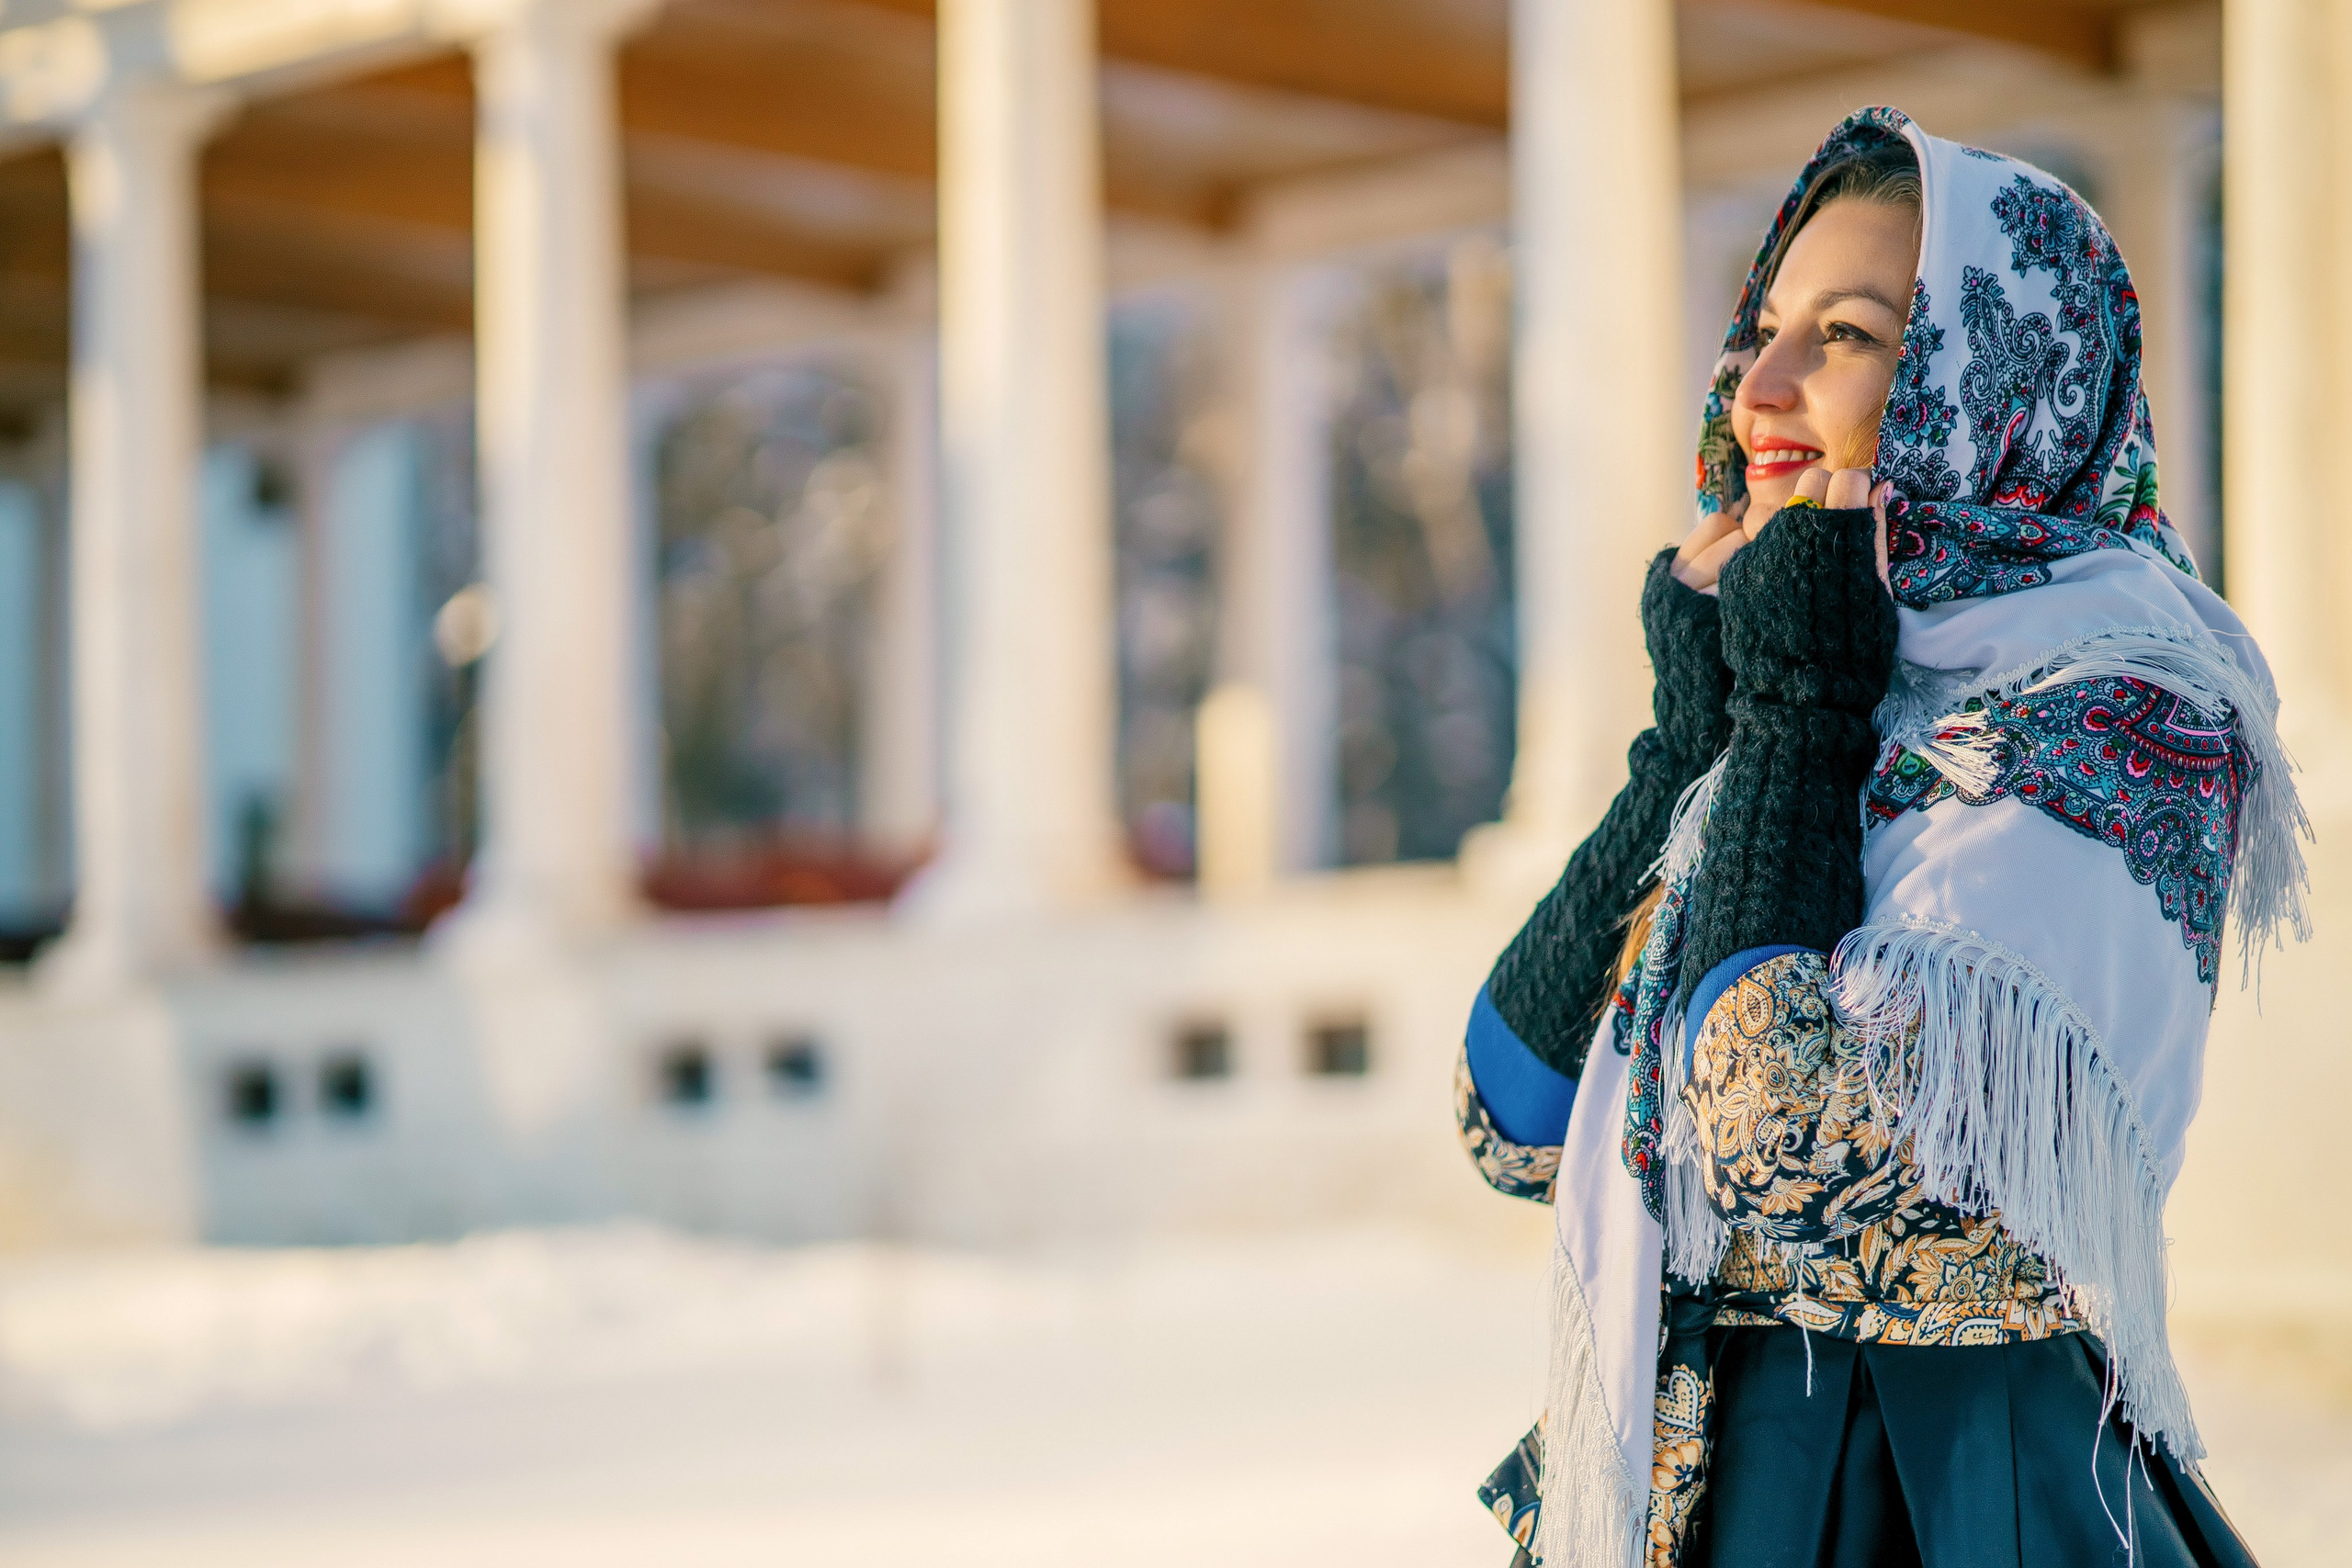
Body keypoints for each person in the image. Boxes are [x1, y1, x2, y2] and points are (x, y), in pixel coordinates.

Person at [1455, 107, 2304, 1568]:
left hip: (1952, 1495)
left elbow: (1788, 1142)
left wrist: (1793, 708)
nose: (1757, 389)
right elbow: (1510, 1118)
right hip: (1709, 1490)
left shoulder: (2123, 705)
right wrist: (1692, 740)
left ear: (1996, 379)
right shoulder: (1834, 661)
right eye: (1761, 332)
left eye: (1845, 336)